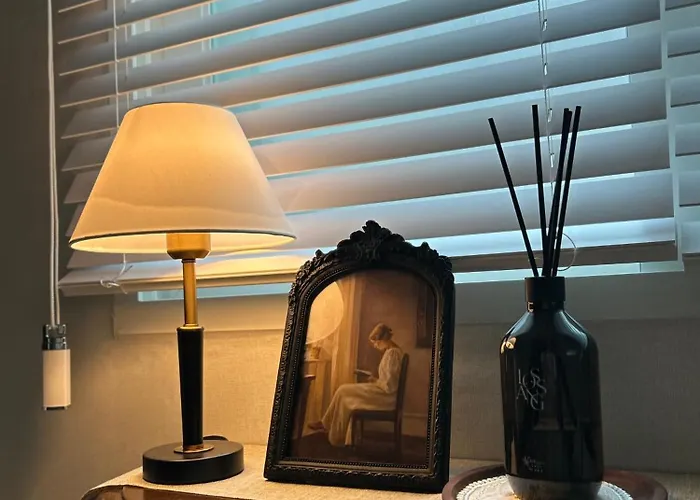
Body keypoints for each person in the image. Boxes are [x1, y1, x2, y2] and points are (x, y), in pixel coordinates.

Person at [308, 322, 403, 446]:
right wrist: (375, 380)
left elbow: (390, 386)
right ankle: (331, 429)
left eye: (376, 342)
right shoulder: (391, 352)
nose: (375, 346)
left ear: (383, 339)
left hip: (386, 398)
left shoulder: (393, 354)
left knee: (343, 390)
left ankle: (330, 428)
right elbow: (388, 380)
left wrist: (375, 381)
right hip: (383, 392)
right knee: (343, 392)